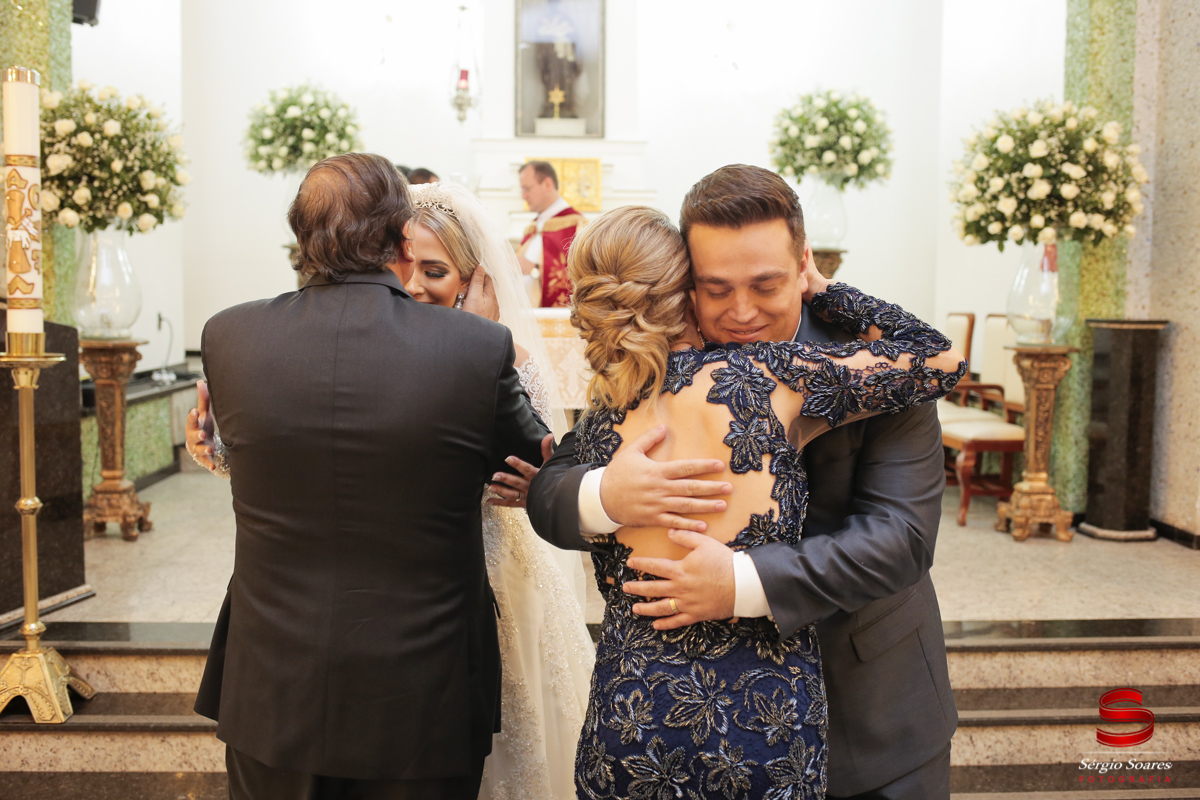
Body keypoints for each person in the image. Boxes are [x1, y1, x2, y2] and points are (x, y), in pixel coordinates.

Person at [528, 165, 962, 799]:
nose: (742, 312)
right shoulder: (642, 377)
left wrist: (739, 582)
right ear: (683, 286)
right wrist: (606, 496)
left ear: (805, 263)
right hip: (682, 722)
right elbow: (553, 489)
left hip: (872, 711)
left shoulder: (866, 358)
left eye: (766, 285)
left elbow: (900, 539)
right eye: (715, 288)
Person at [191, 153, 549, 800]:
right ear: (403, 241)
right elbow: (539, 470)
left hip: (270, 686)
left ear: (301, 240)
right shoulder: (473, 346)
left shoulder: (229, 337)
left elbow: (263, 453)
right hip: (424, 692)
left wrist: (216, 452)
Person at [515, 161, 584, 308]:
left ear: (547, 184)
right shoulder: (533, 228)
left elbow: (583, 278)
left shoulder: (576, 226)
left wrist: (534, 269)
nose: (523, 196)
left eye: (527, 189)